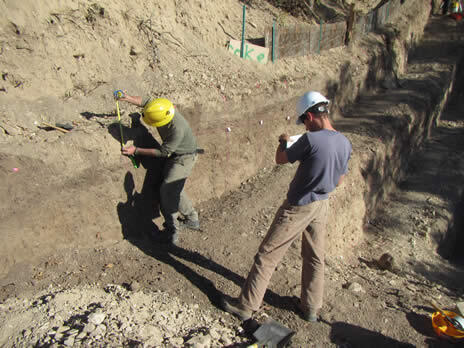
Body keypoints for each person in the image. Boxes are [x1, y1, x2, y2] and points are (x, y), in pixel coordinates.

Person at [222, 91, 352, 322]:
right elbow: (339, 180)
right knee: (315, 257)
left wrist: (283, 141)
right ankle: (311, 308)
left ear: (310, 116)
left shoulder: (310, 139)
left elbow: (281, 159)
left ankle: (246, 305)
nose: (304, 126)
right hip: (322, 204)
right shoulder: (344, 141)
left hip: (299, 206)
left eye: (304, 121)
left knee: (267, 255)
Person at [118, 93, 201, 245]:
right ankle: (192, 218)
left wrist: (136, 150)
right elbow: (147, 101)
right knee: (176, 188)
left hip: (184, 158)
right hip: (175, 155)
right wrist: (127, 97)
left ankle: (172, 230)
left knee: (168, 190)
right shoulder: (163, 107)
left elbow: (163, 152)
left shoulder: (177, 130)